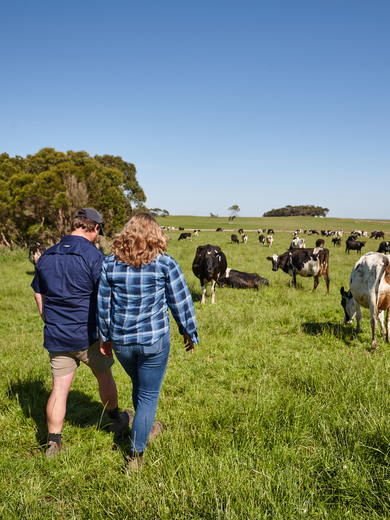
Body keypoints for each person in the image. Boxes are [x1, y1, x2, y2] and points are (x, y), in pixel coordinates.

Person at [97, 213, 198, 470]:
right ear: (156, 235)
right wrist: (188, 331)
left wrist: (105, 337)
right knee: (149, 395)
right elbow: (181, 301)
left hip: (121, 341)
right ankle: (136, 454)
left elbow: (103, 305)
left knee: (139, 385)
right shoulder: (165, 264)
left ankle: (145, 425)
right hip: (154, 340)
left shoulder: (110, 264)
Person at [31, 208, 131, 458]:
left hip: (57, 336)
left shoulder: (46, 255)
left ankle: (53, 442)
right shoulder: (95, 257)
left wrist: (48, 319)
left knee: (59, 388)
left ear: (75, 224)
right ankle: (115, 420)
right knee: (104, 375)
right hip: (88, 337)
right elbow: (107, 295)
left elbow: (38, 293)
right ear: (95, 228)